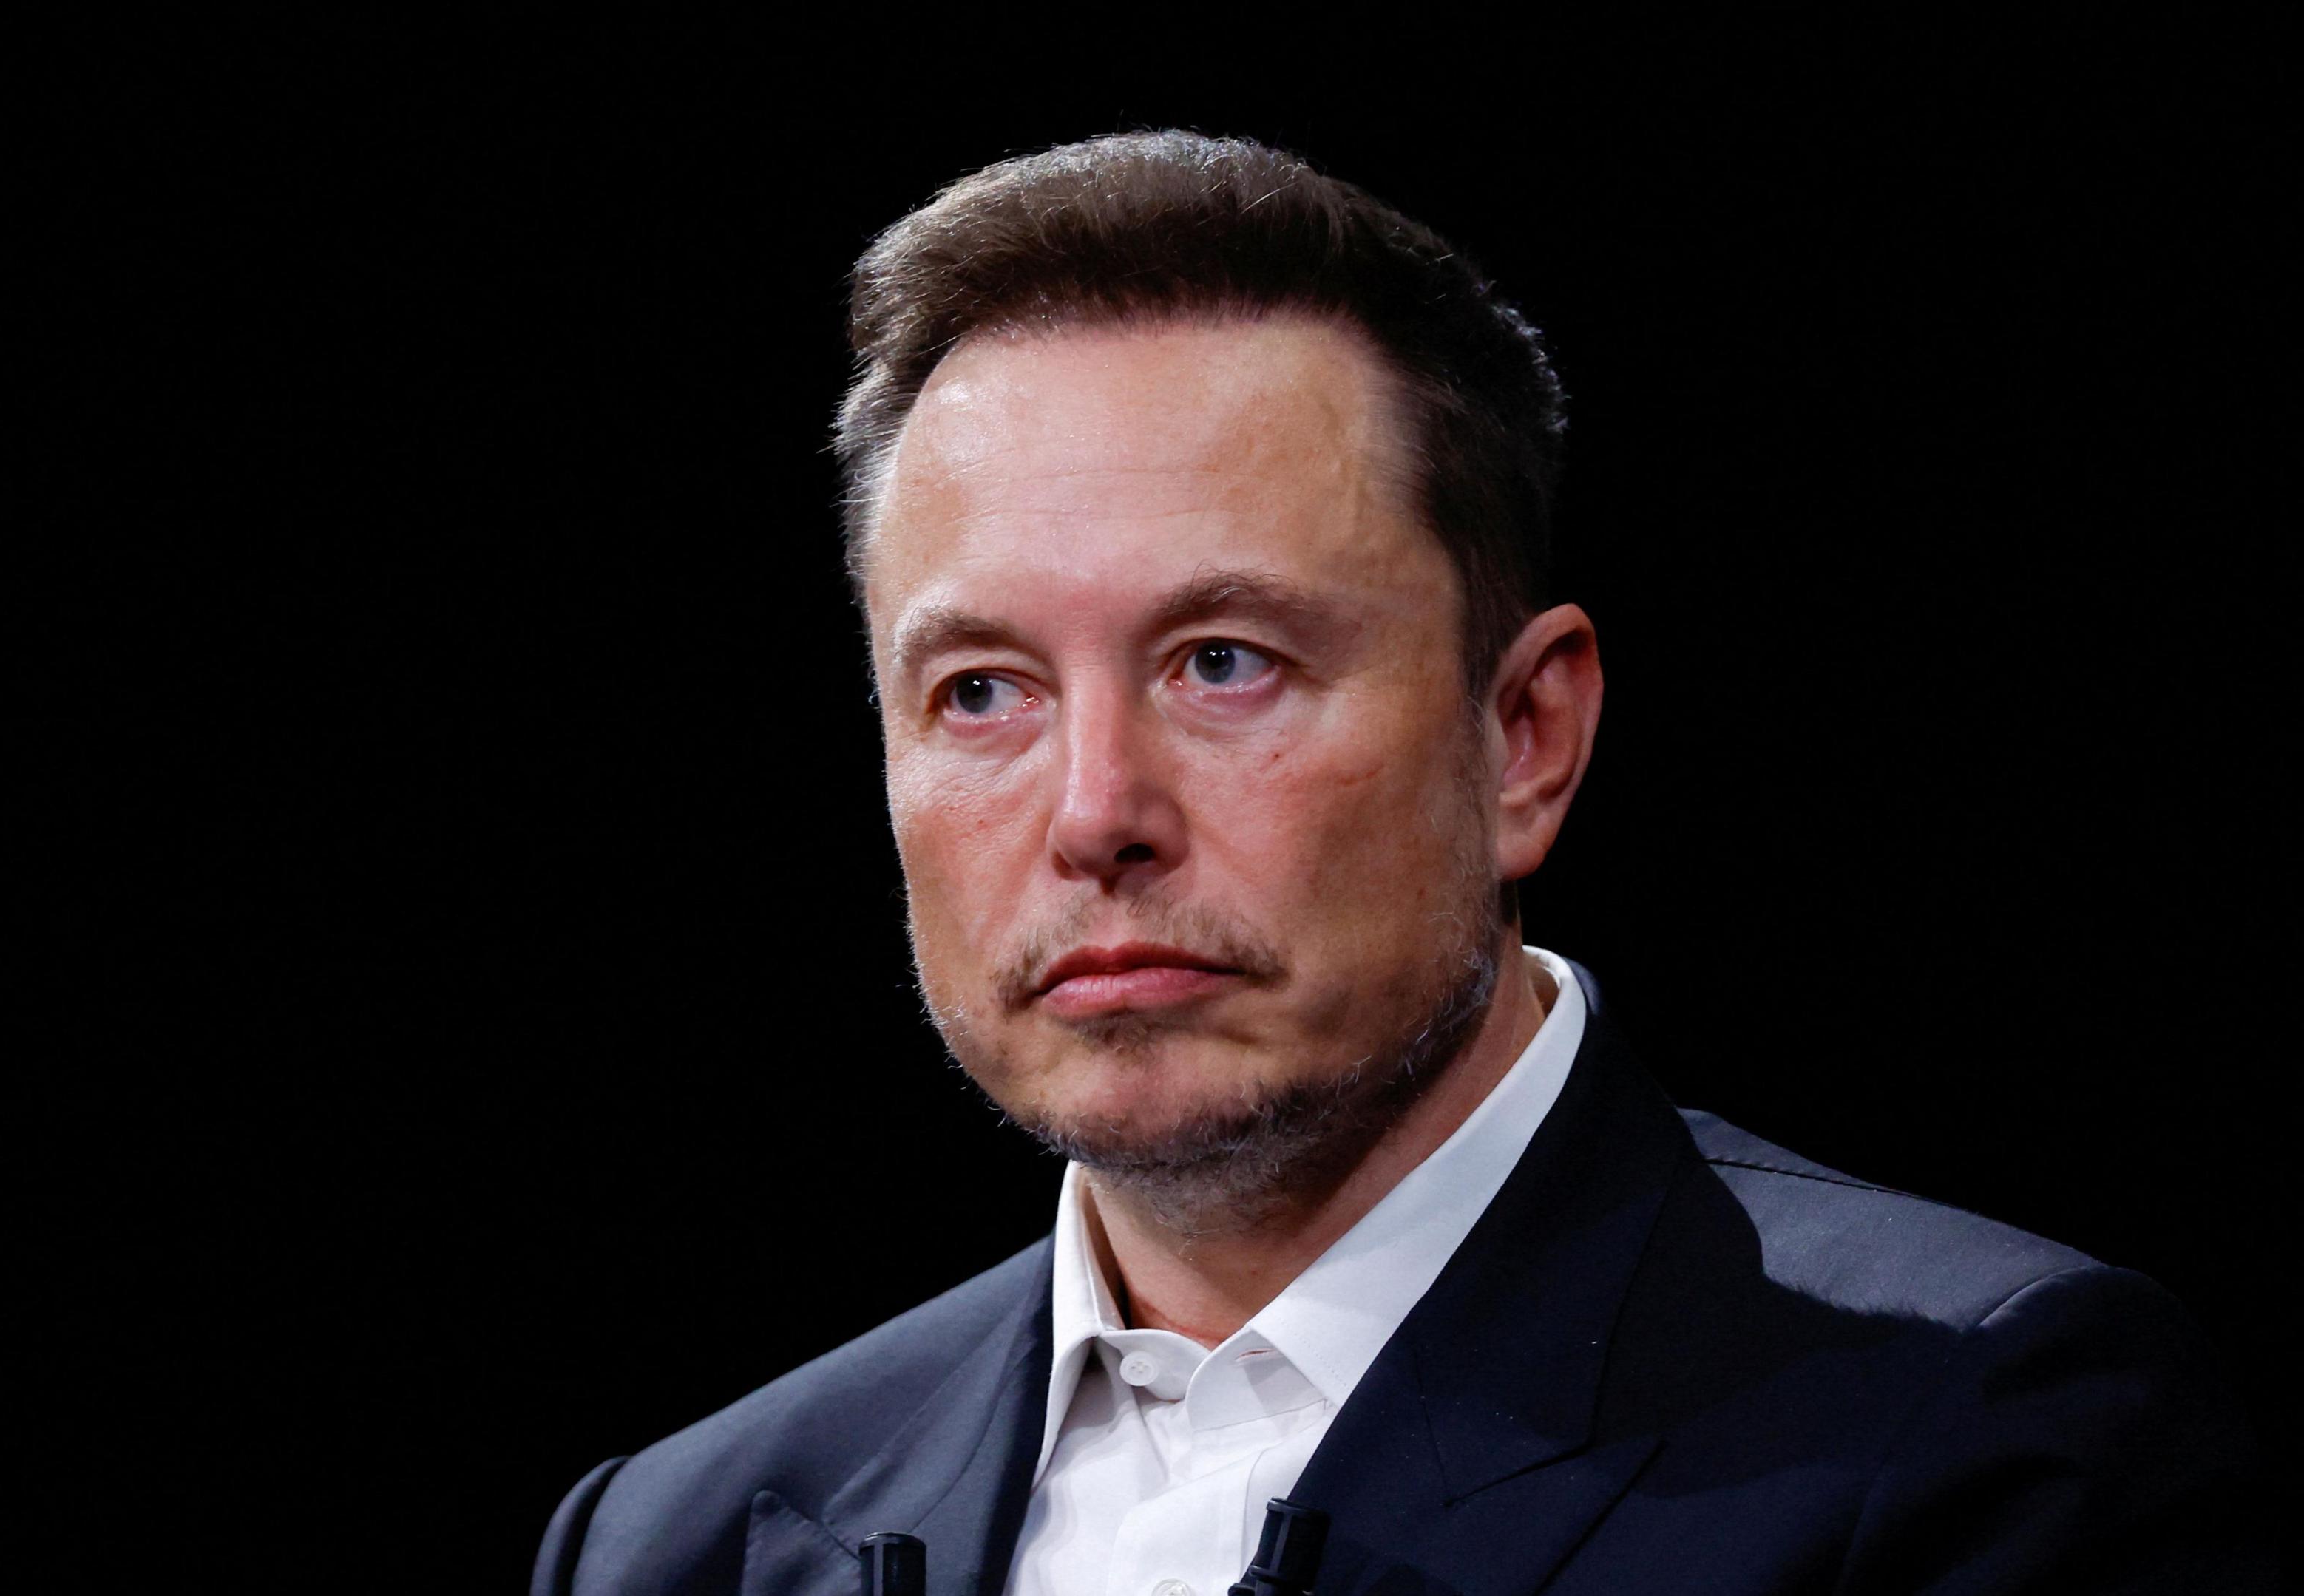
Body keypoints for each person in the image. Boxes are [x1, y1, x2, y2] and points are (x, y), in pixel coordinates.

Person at [532, 132, 2264, 1595]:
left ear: (1524, 738)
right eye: (982, 691)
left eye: (1226, 661)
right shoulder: (673, 1543)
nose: (1094, 812)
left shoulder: (1984, 1432)